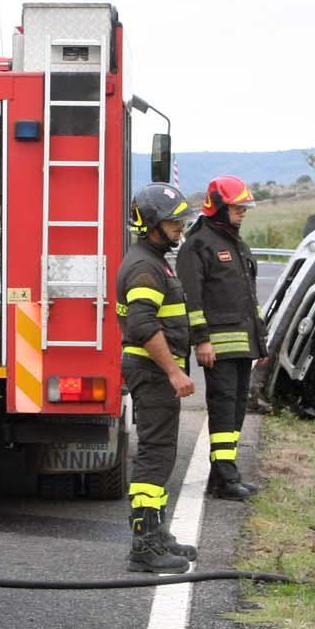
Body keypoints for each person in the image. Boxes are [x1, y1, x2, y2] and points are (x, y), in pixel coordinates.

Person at [117, 182, 200, 573]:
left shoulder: (155, 259)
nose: (180, 227)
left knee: (162, 452)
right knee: (153, 455)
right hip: (152, 373)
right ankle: (145, 546)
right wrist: (173, 370)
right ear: (151, 223)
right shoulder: (145, 267)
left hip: (154, 373)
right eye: (172, 221)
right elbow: (142, 325)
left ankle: (158, 533)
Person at [177, 175, 264, 501]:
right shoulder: (198, 245)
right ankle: (227, 480)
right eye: (236, 207)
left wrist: (261, 342)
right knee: (224, 410)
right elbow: (192, 299)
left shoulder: (235, 243)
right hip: (219, 346)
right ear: (218, 207)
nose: (242, 213)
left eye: (243, 208)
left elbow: (247, 298)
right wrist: (201, 340)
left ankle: (222, 474)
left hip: (244, 344)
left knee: (237, 409)